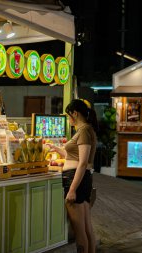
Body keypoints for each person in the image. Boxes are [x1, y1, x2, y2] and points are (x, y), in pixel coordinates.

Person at [47, 99, 98, 253]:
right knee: (87, 228)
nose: (68, 118)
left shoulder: (83, 131)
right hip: (82, 179)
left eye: (68, 115)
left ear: (75, 113)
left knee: (79, 231)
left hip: (76, 180)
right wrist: (56, 148)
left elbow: (82, 163)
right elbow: (73, 156)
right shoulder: (86, 130)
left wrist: (72, 189)